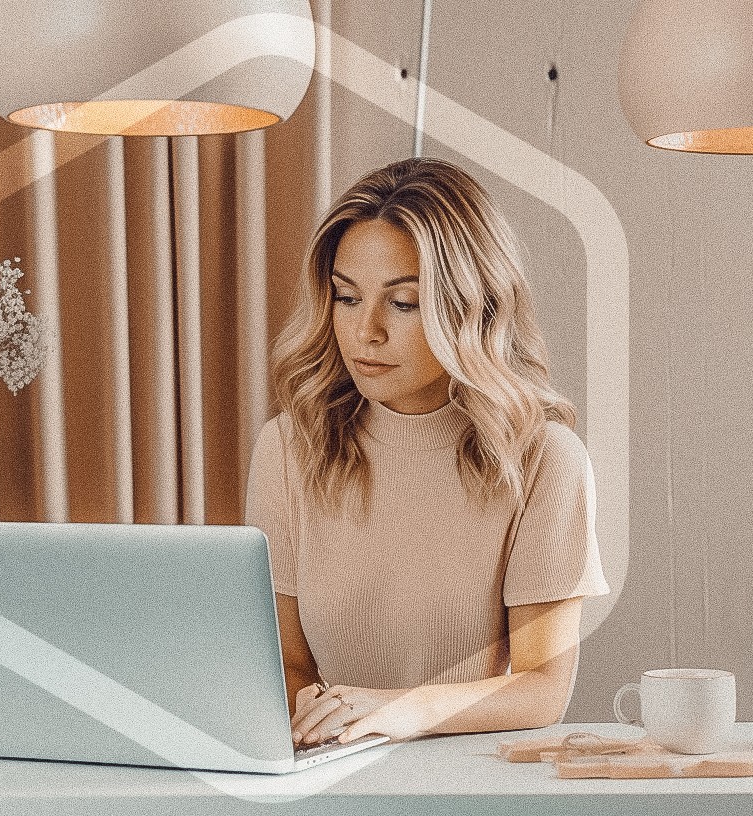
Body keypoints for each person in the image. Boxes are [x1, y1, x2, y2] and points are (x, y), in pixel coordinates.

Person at [245, 157, 609, 748]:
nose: (367, 331)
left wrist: (392, 711)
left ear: (473, 308)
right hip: (331, 777)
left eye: (405, 303)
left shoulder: (546, 459)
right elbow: (287, 665)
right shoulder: (288, 449)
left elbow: (542, 687)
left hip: (480, 782)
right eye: (346, 297)